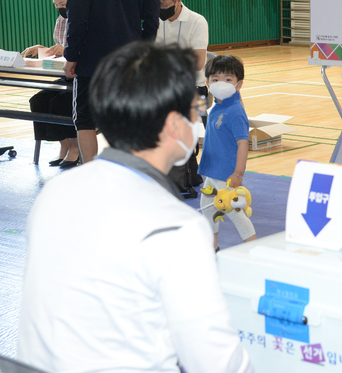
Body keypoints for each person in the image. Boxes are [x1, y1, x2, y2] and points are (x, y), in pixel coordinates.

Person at [17, 42, 254, 373]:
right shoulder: (175, 227)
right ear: (174, 126)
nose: (197, 121)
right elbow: (216, 360)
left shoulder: (57, 192)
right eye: (193, 111)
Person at [63, 0, 160, 163]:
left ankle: (91, 172)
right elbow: (151, 20)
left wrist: (71, 55)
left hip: (90, 59)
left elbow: (77, 15)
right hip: (128, 60)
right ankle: (126, 172)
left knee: (84, 118)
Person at [199, 55, 256, 251]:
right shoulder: (218, 105)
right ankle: (212, 247)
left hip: (226, 174)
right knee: (207, 207)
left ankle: (253, 248)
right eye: (215, 79)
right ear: (207, 83)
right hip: (213, 171)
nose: (221, 83)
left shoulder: (235, 112)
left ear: (238, 84)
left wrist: (238, 172)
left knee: (235, 212)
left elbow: (243, 144)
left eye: (228, 79)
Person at [21, 0, 79, 167]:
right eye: (56, 4)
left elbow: (89, 51)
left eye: (62, 3)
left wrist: (68, 51)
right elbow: (59, 49)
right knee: (38, 100)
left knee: (61, 102)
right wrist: (42, 49)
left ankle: (76, 147)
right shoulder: (61, 20)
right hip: (65, 75)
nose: (59, 8)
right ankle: (64, 143)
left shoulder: (87, 18)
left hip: (84, 77)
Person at [154, 0, 210, 105]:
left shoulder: (197, 22)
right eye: (157, 5)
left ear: (178, 0)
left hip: (195, 88)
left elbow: (198, 63)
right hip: (162, 87)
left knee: (199, 123)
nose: (161, 9)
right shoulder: (154, 20)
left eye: (164, 5)